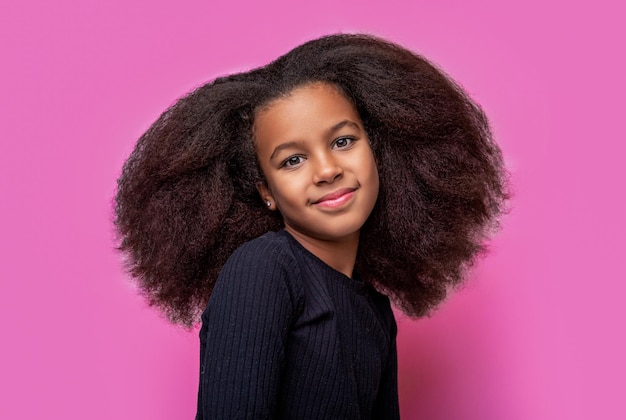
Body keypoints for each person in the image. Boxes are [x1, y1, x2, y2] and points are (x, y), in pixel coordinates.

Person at [114, 33, 508, 419]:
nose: (326, 170)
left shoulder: (375, 311)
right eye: (292, 160)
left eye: (342, 142)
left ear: (379, 150)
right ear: (267, 192)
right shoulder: (263, 270)